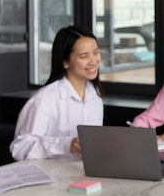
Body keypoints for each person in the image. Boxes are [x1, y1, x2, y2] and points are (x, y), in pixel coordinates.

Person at [10, 25, 104, 161]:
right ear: (65, 62)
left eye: (96, 52)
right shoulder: (44, 100)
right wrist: (66, 145)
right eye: (84, 56)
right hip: (52, 177)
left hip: (85, 175)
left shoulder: (95, 95)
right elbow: (20, 148)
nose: (93, 61)